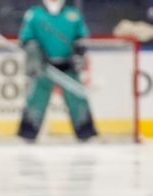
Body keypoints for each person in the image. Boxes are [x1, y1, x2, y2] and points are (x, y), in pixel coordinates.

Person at [17, 0, 98, 142]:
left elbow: (81, 38)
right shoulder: (35, 14)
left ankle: (86, 133)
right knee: (36, 99)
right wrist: (34, 54)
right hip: (44, 67)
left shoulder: (73, 15)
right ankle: (28, 133)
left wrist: (78, 52)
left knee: (77, 99)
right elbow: (26, 38)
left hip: (68, 65)